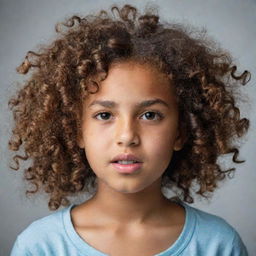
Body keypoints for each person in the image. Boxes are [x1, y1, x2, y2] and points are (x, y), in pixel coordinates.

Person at [8, 4, 250, 256]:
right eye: (104, 115)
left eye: (150, 115)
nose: (127, 137)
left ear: (181, 132)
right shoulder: (40, 246)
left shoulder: (218, 244)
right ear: (77, 131)